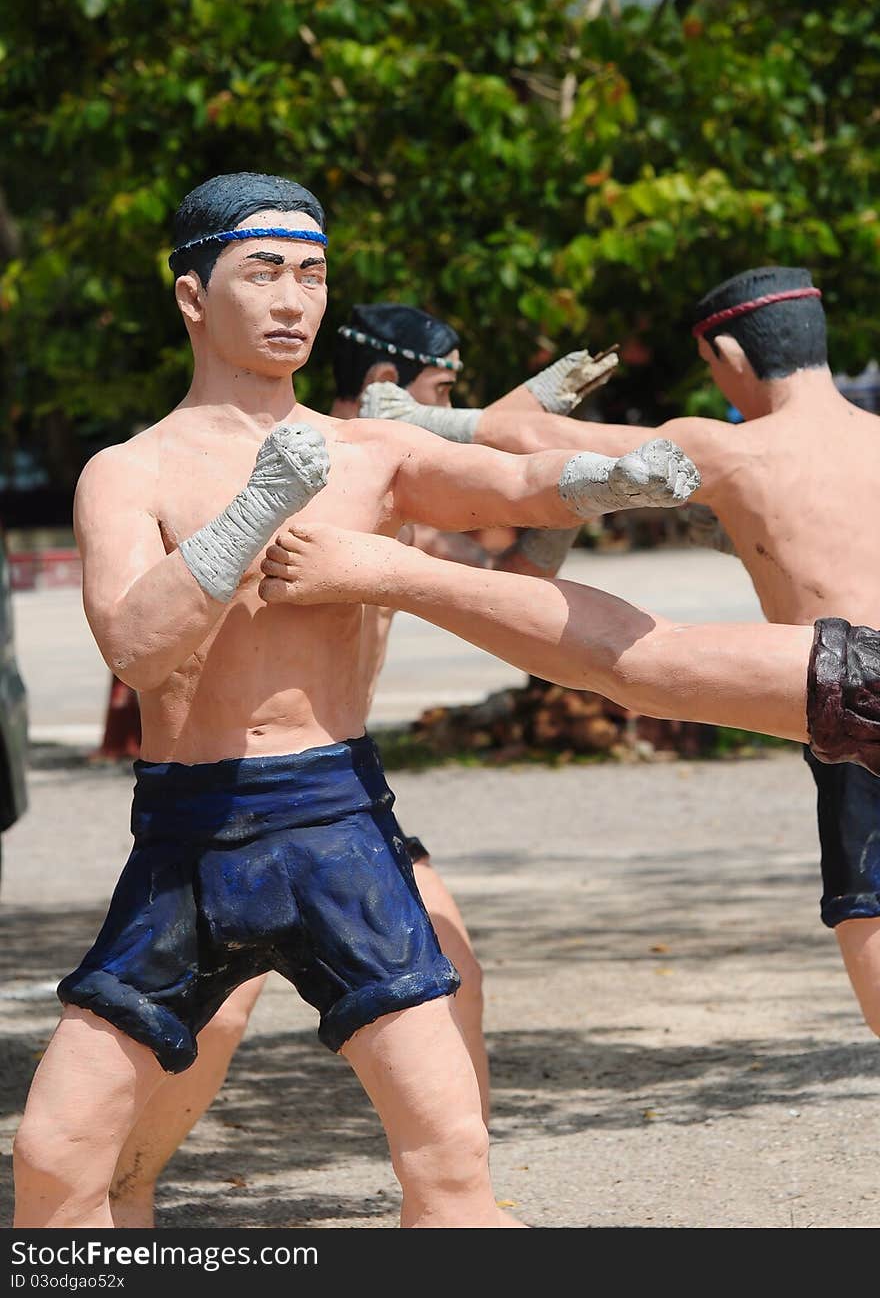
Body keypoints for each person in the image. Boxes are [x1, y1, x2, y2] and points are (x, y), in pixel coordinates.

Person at [12, 171, 700, 1230]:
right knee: (55, 1161)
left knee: (449, 1154)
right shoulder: (127, 471)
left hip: (335, 824)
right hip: (189, 840)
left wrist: (609, 480)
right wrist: (258, 507)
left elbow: (503, 492)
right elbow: (138, 649)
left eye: (313, 275)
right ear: (193, 295)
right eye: (265, 272)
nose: (294, 300)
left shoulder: (371, 454)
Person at [108, 300, 612, 1227]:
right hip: (219, 803)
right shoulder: (316, 458)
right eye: (443, 386)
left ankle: (451, 1194)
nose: (449, 400)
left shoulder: (384, 473)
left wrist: (582, 479)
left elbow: (513, 555)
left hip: (339, 795)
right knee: (205, 1021)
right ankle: (121, 1186)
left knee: (448, 957)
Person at [358, 265, 880, 1036]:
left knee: (644, 670)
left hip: (847, 695)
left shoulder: (734, 449)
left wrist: (410, 418)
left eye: (711, 368)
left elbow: (548, 444)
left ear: (729, 353)